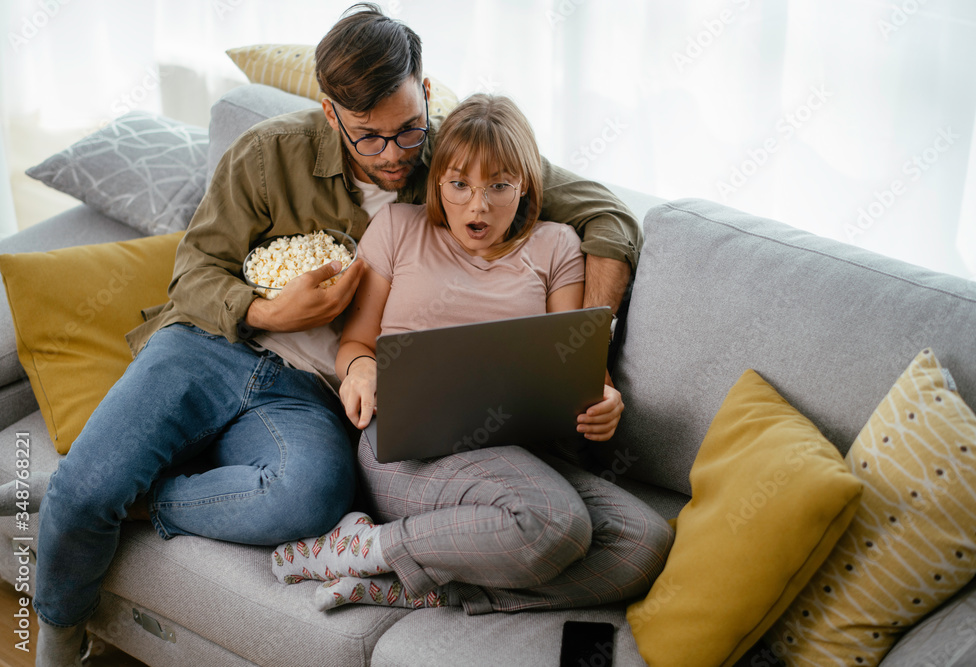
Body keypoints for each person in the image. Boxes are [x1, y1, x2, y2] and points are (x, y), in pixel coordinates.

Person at [2, 4, 642, 664]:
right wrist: (270, 312)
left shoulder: (456, 157)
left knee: (309, 496)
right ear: (331, 113)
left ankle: (132, 495)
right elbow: (194, 270)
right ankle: (64, 618)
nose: (394, 156)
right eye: (369, 136)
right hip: (208, 345)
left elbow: (608, 216)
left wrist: (585, 353)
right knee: (85, 487)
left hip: (309, 393)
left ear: (424, 93)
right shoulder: (268, 153)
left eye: (406, 130)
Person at [270, 93, 673, 614]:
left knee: (644, 547)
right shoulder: (397, 230)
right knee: (554, 523)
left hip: (524, 456)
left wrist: (603, 398)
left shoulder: (557, 247)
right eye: (459, 185)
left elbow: (574, 363)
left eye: (498, 186)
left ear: (524, 184)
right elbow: (356, 344)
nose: (477, 206)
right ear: (437, 180)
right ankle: (361, 549)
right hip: (407, 451)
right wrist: (361, 374)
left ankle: (410, 585)